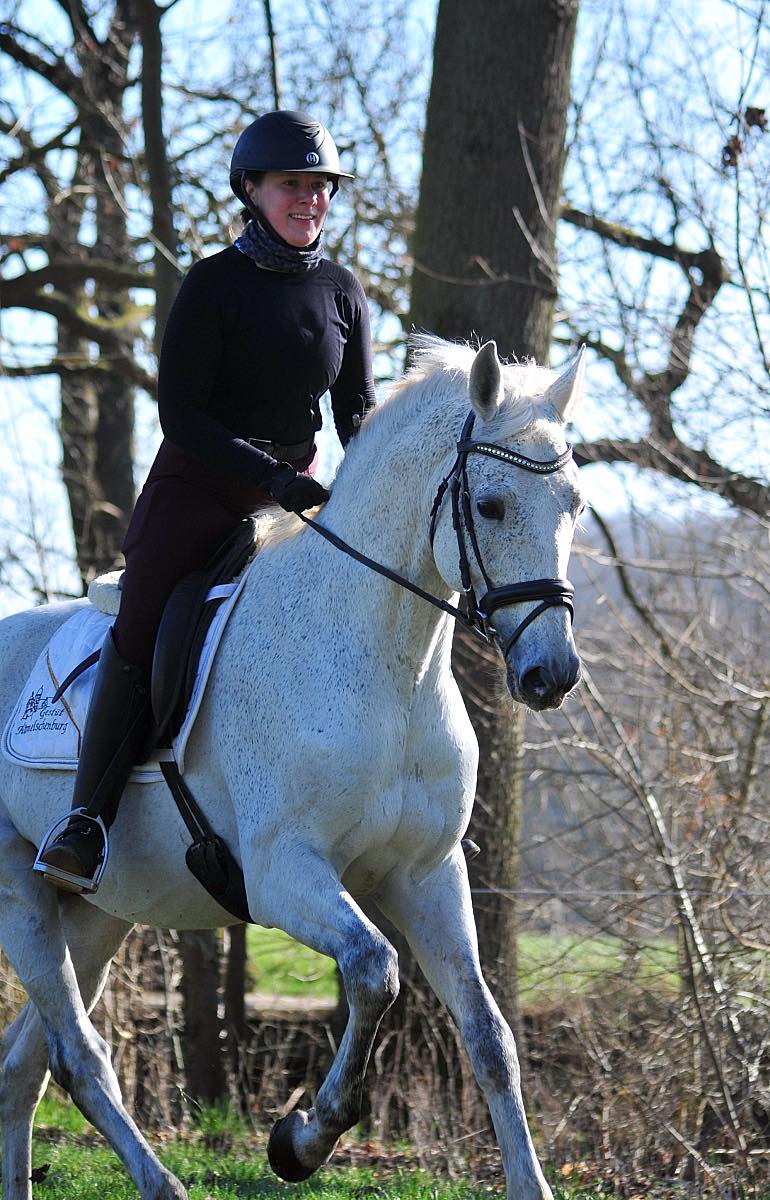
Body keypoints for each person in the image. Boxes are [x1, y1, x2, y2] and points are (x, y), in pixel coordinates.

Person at [36, 109, 376, 894]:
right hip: (199, 488)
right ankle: (86, 819)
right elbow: (181, 417)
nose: (312, 200)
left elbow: (357, 417)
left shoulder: (342, 291)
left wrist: (366, 492)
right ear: (251, 190)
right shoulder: (214, 284)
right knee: (145, 618)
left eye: (322, 187)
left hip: (294, 500)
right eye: (294, 185)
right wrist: (274, 477)